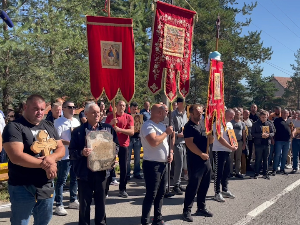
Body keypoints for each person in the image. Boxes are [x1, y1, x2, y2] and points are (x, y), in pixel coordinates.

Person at [2, 94, 65, 225]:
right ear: (25, 107)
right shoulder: (14, 127)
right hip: (22, 185)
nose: (40, 112)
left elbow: (61, 149)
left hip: (46, 184)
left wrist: (51, 158)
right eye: (36, 109)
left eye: (42, 109)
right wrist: (47, 164)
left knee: (44, 222)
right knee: (21, 222)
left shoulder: (49, 125)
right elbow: (16, 157)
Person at [69, 103, 118, 225]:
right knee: (84, 205)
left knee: (101, 203)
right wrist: (82, 152)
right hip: (85, 173)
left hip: (102, 172)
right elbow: (71, 152)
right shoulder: (78, 131)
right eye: (93, 112)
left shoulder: (107, 128)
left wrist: (113, 156)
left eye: (98, 112)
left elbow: (116, 145)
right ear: (86, 114)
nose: (97, 114)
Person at [140, 104, 173, 225]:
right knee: (151, 194)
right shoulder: (148, 125)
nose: (166, 113)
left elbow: (168, 141)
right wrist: (166, 132)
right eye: (165, 111)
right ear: (158, 112)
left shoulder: (161, 125)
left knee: (161, 193)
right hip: (152, 165)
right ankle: (145, 220)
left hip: (163, 164)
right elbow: (154, 142)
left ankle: (157, 218)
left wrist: (171, 152)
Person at [182, 105, 213, 222]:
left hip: (206, 161)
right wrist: (201, 154)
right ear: (191, 113)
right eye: (198, 112)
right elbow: (189, 144)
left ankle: (201, 207)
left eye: (201, 112)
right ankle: (186, 211)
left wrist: (212, 135)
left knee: (205, 185)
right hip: (195, 161)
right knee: (193, 187)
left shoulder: (203, 125)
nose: (200, 114)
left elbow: (210, 141)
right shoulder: (189, 126)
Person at [54, 101, 81, 216]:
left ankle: (73, 200)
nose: (72, 109)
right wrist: (71, 143)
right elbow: (56, 140)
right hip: (64, 155)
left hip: (75, 154)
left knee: (75, 178)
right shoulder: (57, 122)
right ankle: (59, 204)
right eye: (69, 107)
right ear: (63, 108)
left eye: (74, 107)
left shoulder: (76, 121)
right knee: (61, 180)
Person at [106, 100, 134, 198]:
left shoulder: (129, 117)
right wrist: (111, 123)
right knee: (108, 167)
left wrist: (120, 130)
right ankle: (105, 190)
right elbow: (104, 130)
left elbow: (132, 132)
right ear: (116, 106)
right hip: (112, 145)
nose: (121, 107)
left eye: (123, 105)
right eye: (120, 105)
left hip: (124, 145)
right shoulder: (110, 116)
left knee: (124, 168)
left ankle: (122, 189)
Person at [213, 109, 238, 202]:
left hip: (228, 151)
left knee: (226, 171)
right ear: (225, 114)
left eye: (233, 116)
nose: (232, 118)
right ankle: (217, 192)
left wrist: (235, 144)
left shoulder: (230, 124)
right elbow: (220, 138)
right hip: (219, 150)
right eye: (230, 116)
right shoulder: (218, 123)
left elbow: (232, 136)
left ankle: (224, 189)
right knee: (218, 172)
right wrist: (231, 147)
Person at [171, 97, 188, 194]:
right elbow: (171, 129)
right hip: (177, 142)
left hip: (185, 142)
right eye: (184, 103)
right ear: (179, 104)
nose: (185, 104)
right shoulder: (173, 114)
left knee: (183, 165)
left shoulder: (185, 114)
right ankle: (175, 185)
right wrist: (177, 134)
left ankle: (179, 183)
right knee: (179, 164)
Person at [251, 110, 274, 179]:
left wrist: (269, 135)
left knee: (266, 159)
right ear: (260, 117)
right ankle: (256, 173)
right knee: (258, 159)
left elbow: (273, 132)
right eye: (262, 117)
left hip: (267, 144)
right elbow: (253, 133)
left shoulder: (269, 124)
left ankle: (265, 173)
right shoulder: (255, 124)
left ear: (267, 117)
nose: (264, 118)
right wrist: (261, 135)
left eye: (265, 117)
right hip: (259, 144)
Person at [272, 109, 291, 175]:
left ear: (288, 114)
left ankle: (282, 169)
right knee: (277, 155)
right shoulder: (277, 120)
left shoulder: (289, 121)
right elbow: (273, 129)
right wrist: (273, 139)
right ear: (281, 113)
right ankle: (274, 169)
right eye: (283, 113)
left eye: (286, 113)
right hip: (279, 140)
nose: (284, 114)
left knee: (284, 156)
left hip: (287, 141)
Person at [127, 102, 143, 180]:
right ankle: (127, 174)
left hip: (137, 138)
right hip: (129, 138)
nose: (135, 110)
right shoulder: (127, 115)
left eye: (136, 109)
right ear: (130, 108)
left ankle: (137, 173)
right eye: (133, 109)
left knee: (137, 157)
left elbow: (141, 125)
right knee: (128, 157)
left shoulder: (139, 116)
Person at [230, 110, 246, 178]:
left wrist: (244, 143)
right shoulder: (230, 123)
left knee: (238, 158)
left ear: (240, 115)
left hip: (239, 142)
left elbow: (244, 134)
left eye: (238, 114)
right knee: (231, 158)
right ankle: (230, 172)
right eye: (236, 114)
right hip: (231, 142)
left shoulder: (242, 123)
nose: (237, 115)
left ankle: (237, 172)